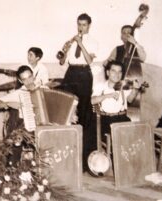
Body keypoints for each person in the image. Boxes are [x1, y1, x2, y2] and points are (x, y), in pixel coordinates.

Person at [57, 13, 98, 171]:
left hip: (84, 74)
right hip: (71, 73)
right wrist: (66, 50)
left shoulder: (93, 42)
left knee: (84, 113)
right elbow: (61, 61)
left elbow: (89, 60)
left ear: (89, 25)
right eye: (79, 24)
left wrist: (80, 44)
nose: (81, 27)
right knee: (66, 109)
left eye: (84, 25)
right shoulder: (71, 40)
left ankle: (84, 159)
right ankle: (66, 153)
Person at [0, 65, 78, 135]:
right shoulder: (19, 93)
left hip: (48, 127)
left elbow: (59, 105)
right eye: (24, 79)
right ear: (20, 80)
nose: (28, 81)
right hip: (28, 128)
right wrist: (8, 104)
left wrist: (71, 115)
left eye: (30, 77)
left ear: (33, 75)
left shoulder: (44, 89)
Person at [91, 61, 141, 141]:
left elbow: (130, 99)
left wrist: (135, 89)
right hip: (104, 119)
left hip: (121, 118)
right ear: (108, 73)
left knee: (134, 140)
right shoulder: (100, 86)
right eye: (113, 71)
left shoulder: (124, 86)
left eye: (119, 72)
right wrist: (108, 95)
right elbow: (92, 101)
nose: (117, 74)